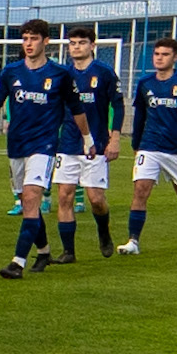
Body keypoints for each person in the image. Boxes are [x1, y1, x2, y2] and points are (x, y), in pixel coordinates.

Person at [0, 20, 94, 279]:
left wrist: (87, 139)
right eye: (25, 39)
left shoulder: (60, 74)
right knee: (27, 202)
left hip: (44, 147)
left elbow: (77, 109)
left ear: (46, 41)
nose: (29, 44)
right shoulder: (11, 72)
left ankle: (17, 262)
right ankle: (43, 250)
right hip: (16, 145)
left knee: (32, 199)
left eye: (34, 39)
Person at [121, 37, 177, 253]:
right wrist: (136, 142)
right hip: (149, 145)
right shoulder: (145, 83)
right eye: (156, 54)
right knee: (140, 190)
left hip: (176, 148)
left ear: (175, 57)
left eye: (165, 54)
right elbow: (140, 114)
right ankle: (133, 241)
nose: (159, 58)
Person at [57, 26, 123, 256]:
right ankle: (68, 252)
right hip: (66, 144)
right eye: (72, 43)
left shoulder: (104, 73)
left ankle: (104, 231)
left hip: (96, 145)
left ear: (92, 46)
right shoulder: (62, 74)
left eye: (82, 42)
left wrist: (114, 138)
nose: (76, 47)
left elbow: (118, 105)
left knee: (95, 199)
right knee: (64, 195)